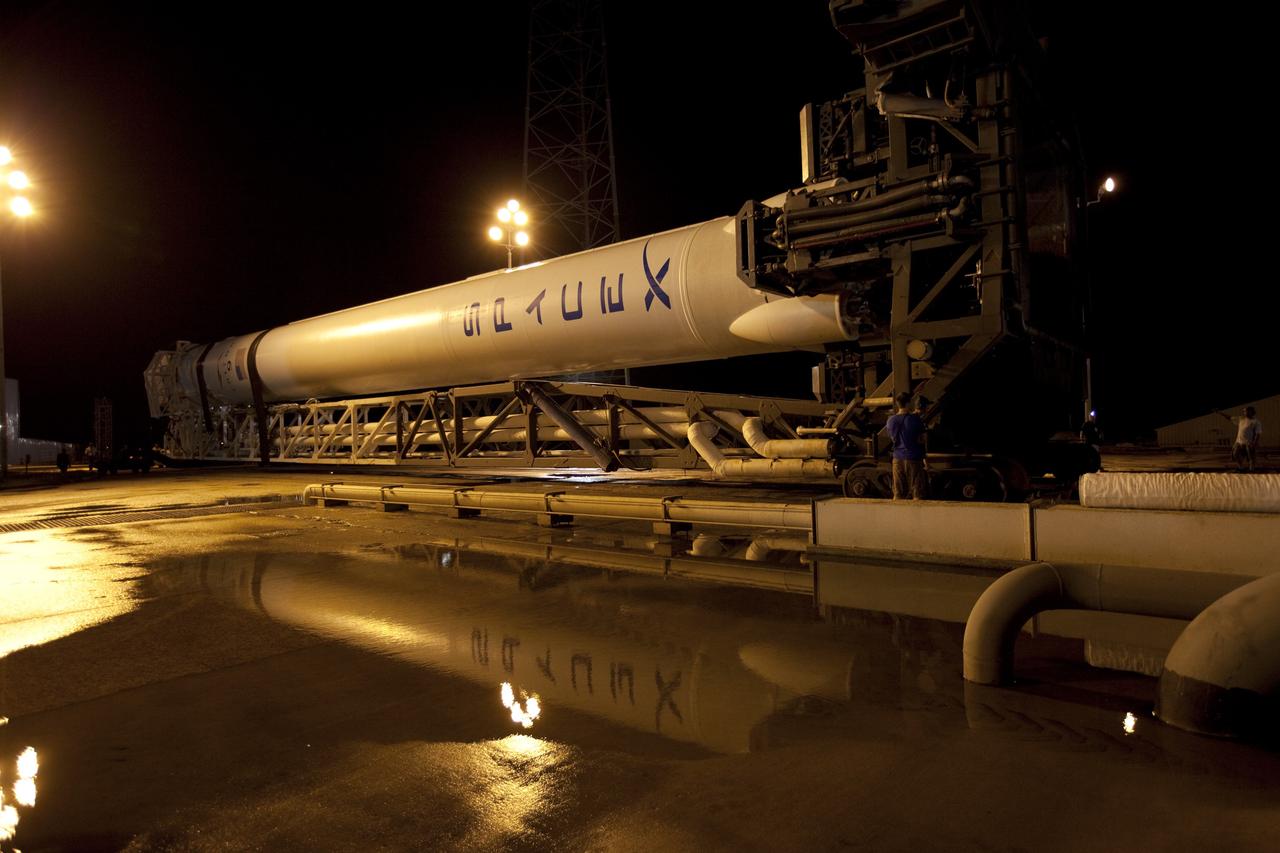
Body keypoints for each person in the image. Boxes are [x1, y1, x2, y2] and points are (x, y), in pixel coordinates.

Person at [885, 391, 928, 499]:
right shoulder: (915, 419)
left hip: (897, 459)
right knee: (917, 493)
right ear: (908, 403)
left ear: (897, 404)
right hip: (914, 459)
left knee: (898, 494)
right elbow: (923, 439)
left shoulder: (890, 421)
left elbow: (892, 438)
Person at [1232, 406, 1262, 472]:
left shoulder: (1256, 422)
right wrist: (1220, 413)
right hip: (1239, 442)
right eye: (1244, 411)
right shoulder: (1241, 419)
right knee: (1235, 454)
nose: (1245, 412)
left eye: (1246, 411)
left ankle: (1251, 469)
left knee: (1251, 457)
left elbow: (1258, 433)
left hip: (1249, 442)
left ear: (1251, 412)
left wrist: (1254, 443)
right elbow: (1229, 418)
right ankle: (1241, 467)